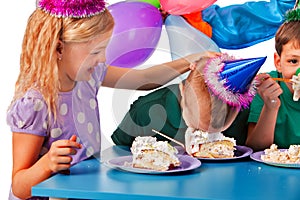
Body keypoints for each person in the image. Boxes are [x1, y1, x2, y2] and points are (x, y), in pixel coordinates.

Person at [6, 0, 219, 199]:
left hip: (80, 192)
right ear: (60, 48)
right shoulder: (35, 104)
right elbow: (19, 185)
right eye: (96, 51)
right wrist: (46, 164)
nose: (103, 59)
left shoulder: (89, 78)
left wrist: (190, 60)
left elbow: (144, 79)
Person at [246, 1, 300, 151]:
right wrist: (271, 107)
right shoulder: (267, 87)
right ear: (278, 62)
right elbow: (256, 147)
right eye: (293, 61)